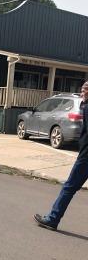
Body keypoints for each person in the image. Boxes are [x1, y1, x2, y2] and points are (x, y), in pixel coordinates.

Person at [34, 81, 88, 230]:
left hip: (86, 157)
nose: (82, 92)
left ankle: (53, 219)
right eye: (82, 89)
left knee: (69, 187)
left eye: (85, 90)